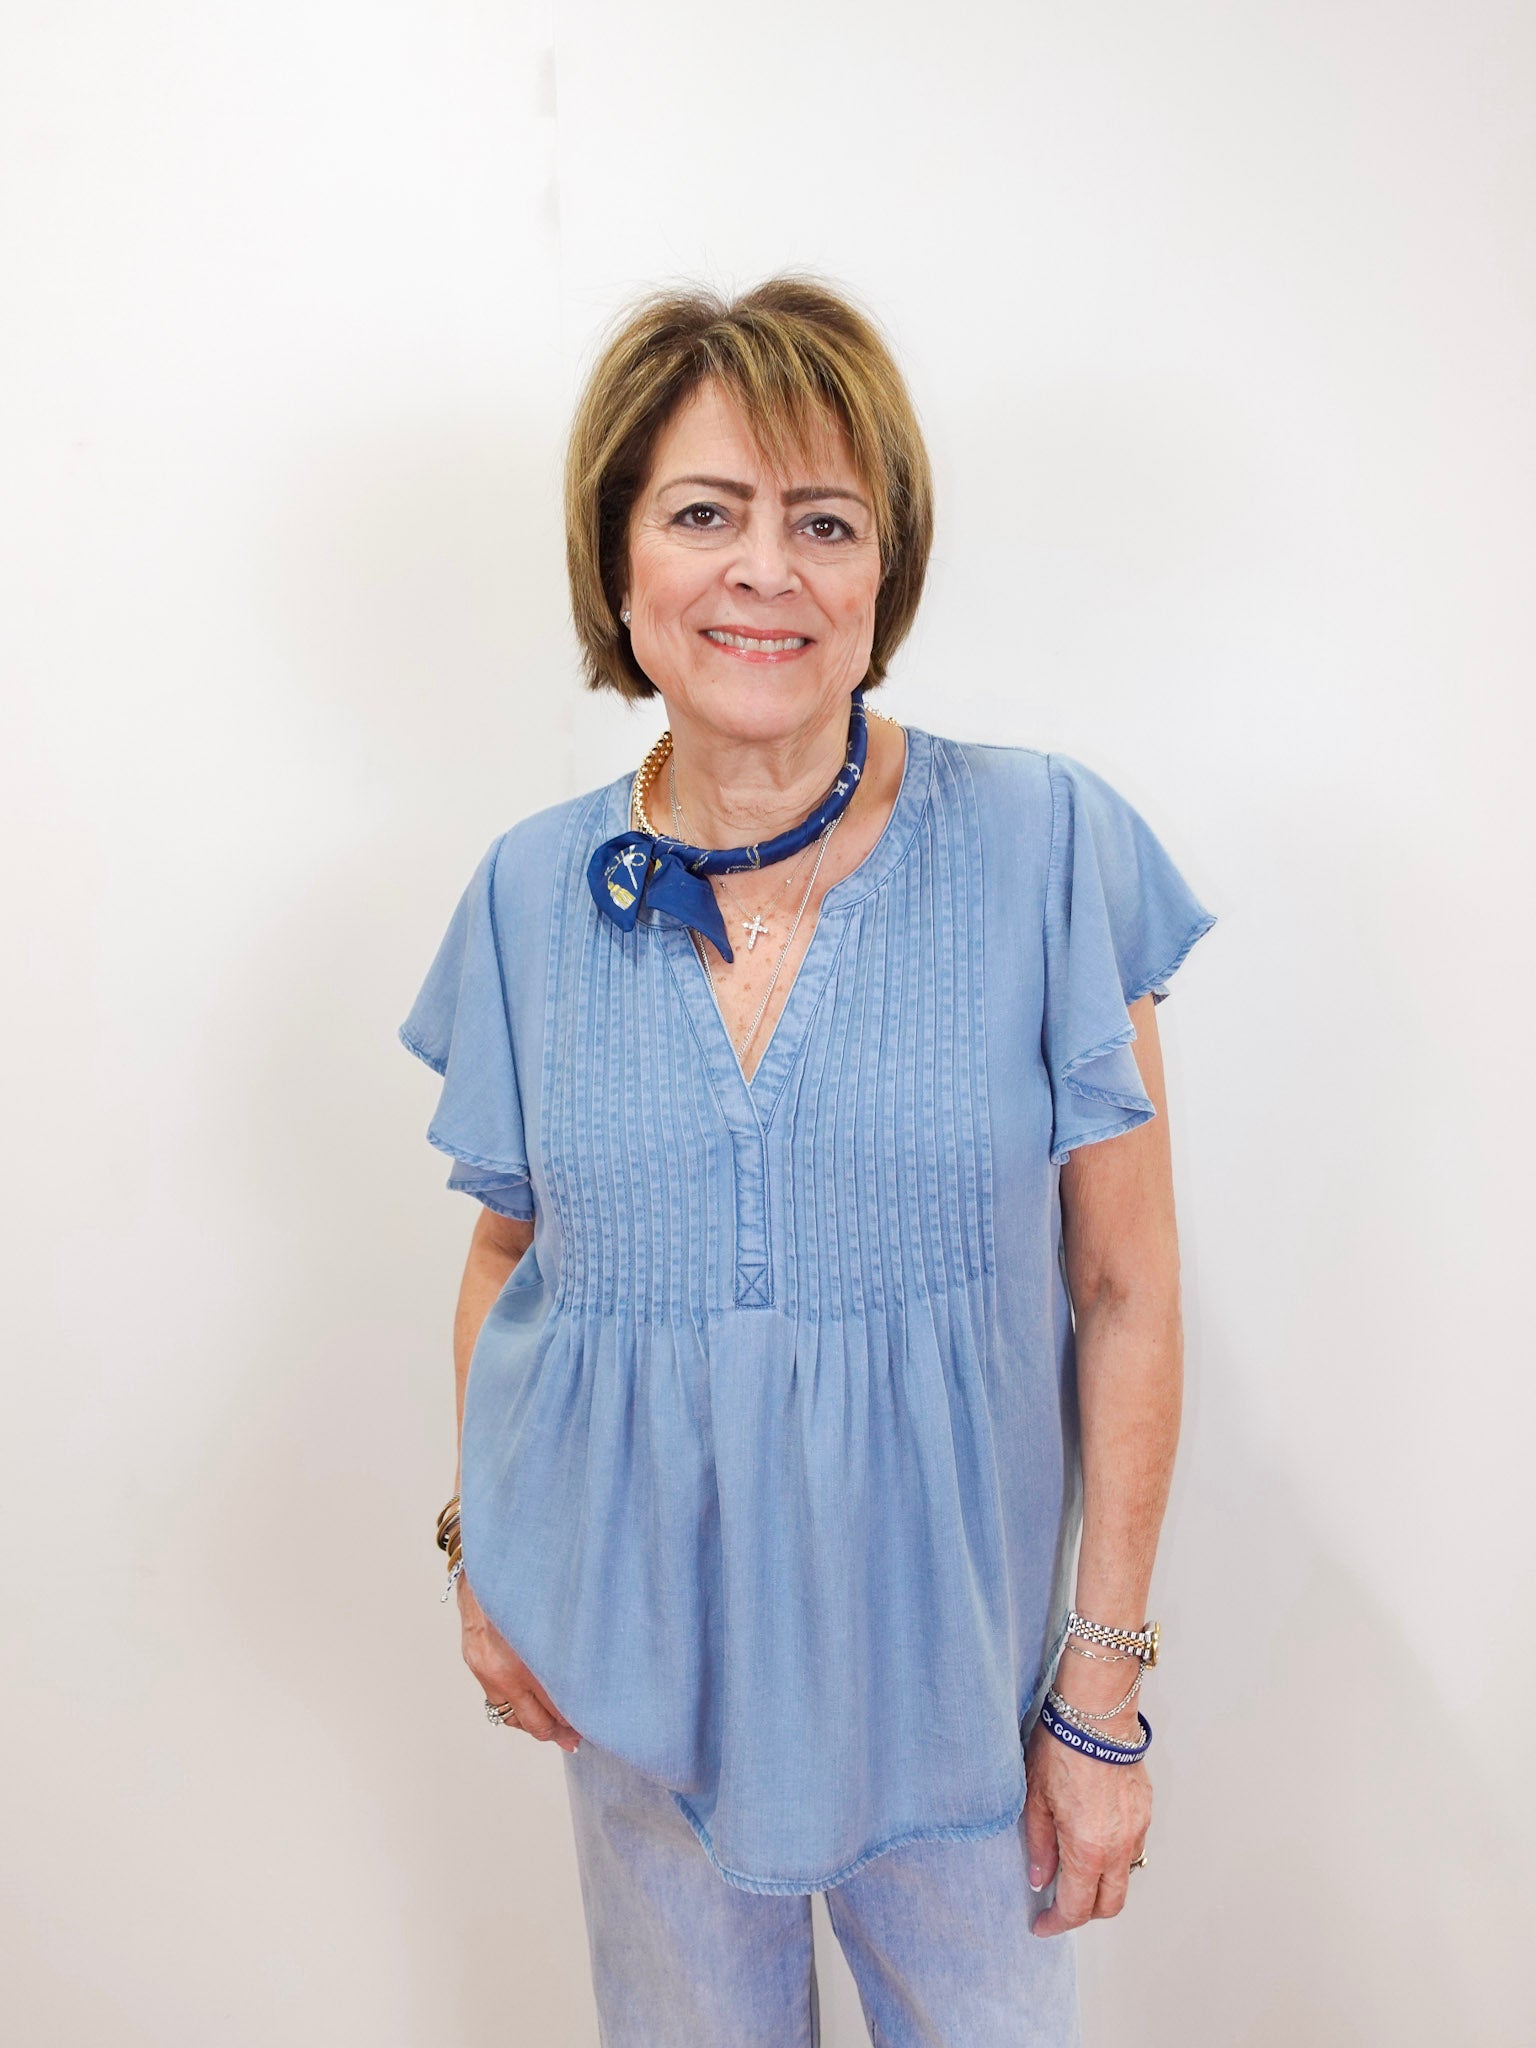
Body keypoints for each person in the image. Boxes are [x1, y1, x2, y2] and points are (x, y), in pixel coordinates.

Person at [400, 275, 1217, 2046]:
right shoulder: (530, 894)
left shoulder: (1045, 845)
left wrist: (1102, 1696)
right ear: (621, 567)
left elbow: (1125, 1287)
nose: (763, 568)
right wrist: (487, 1560)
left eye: (822, 521)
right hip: (645, 1705)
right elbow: (506, 1261)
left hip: (966, 1721)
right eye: (704, 513)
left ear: (881, 576)